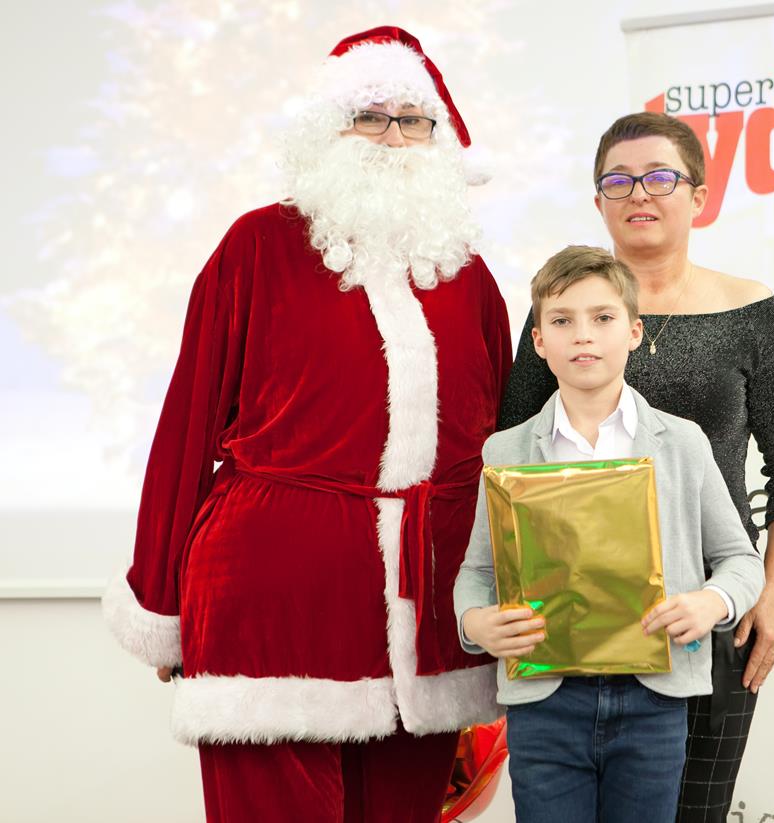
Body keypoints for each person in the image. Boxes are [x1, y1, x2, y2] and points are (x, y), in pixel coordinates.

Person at [101, 26, 510, 823]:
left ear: (439, 138)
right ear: (326, 131)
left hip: (429, 620)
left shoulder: (467, 273)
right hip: (270, 609)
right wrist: (162, 602)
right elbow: (186, 425)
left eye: (412, 120)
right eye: (370, 117)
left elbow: (506, 444)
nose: (393, 137)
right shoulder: (256, 246)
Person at [498, 112, 774, 822]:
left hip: (713, 609)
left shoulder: (749, 310)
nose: (638, 193)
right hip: (574, 618)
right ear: (598, 202)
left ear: (698, 195)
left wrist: (771, 593)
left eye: (659, 177)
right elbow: (512, 454)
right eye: (617, 181)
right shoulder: (560, 313)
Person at [455, 245, 764, 823]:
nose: (583, 336)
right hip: (544, 705)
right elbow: (477, 569)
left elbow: (741, 561)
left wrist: (712, 601)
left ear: (634, 332)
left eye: (602, 318)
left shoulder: (683, 443)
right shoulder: (506, 450)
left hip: (654, 701)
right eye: (562, 321)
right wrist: (474, 622)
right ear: (539, 341)